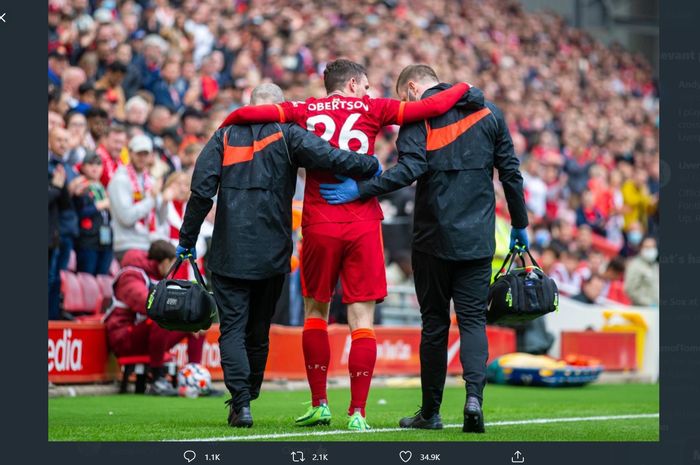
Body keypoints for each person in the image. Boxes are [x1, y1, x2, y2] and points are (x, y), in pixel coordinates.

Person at [219, 58, 476, 431]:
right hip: (362, 220)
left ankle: (320, 403)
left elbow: (253, 112)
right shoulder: (374, 108)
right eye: (367, 84)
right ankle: (357, 412)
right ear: (354, 83)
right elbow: (432, 106)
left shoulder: (304, 109)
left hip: (320, 220)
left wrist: (228, 121)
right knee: (362, 319)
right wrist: (465, 87)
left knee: (315, 311)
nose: (370, 91)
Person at [319, 64, 528, 433]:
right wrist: (520, 225)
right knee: (473, 321)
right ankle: (474, 400)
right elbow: (510, 172)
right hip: (478, 239)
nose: (404, 104)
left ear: (413, 88)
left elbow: (408, 170)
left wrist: (362, 189)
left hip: (433, 239)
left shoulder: (419, 120)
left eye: (403, 97)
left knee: (434, 324)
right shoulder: (489, 111)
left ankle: (430, 412)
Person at [177, 83, 381, 428]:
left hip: (228, 250)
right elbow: (330, 155)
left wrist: (187, 239)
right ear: (280, 106)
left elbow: (201, 193)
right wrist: (367, 164)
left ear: (250, 104)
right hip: (272, 252)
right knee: (258, 331)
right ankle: (248, 394)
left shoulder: (223, 135)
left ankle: (241, 403)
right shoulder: (289, 133)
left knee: (232, 330)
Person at [103, 240, 205, 396]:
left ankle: (196, 377)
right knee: (160, 318)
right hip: (124, 339)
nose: (174, 269)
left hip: (144, 336)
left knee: (197, 325)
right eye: (173, 263)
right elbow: (148, 305)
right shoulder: (130, 275)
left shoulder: (158, 276)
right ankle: (157, 379)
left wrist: (188, 321)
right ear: (164, 262)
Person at [108, 134, 174, 261]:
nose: (142, 158)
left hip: (148, 243)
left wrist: (164, 202)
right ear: (130, 153)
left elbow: (161, 219)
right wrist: (152, 199)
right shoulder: (120, 180)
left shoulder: (149, 180)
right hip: (127, 245)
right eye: (139, 154)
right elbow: (127, 217)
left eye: (145, 154)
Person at [74, 153, 114, 275]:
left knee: (102, 281)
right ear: (83, 167)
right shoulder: (80, 186)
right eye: (90, 164)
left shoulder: (102, 188)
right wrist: (100, 205)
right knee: (87, 280)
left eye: (98, 164)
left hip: (105, 241)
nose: (95, 168)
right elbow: (78, 212)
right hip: (88, 241)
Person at [624, 236, 659, 306]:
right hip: (642, 309)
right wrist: (648, 303)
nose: (650, 250)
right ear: (640, 248)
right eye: (647, 247)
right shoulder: (635, 265)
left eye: (652, 247)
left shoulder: (655, 266)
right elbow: (630, 289)